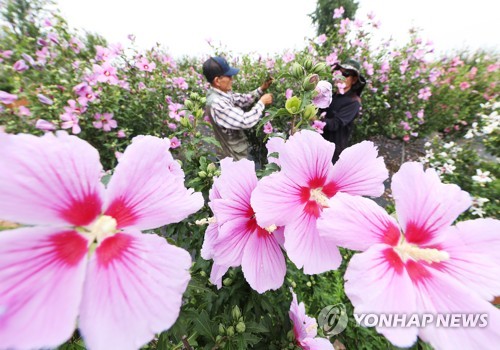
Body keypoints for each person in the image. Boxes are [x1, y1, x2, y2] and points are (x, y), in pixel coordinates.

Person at [202, 56, 273, 160]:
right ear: (217, 80)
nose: (232, 79)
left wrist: (261, 89)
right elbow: (245, 121)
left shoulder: (223, 94)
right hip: (232, 156)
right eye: (229, 76)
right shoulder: (217, 103)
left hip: (237, 149)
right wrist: (262, 103)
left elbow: (243, 100)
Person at [320, 58, 366, 164]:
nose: (340, 76)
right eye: (339, 72)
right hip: (319, 145)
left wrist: (314, 119)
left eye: (345, 74)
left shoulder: (353, 102)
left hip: (333, 153)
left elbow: (335, 124)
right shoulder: (331, 95)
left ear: (354, 80)